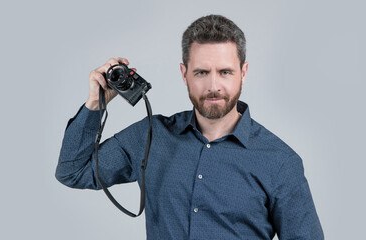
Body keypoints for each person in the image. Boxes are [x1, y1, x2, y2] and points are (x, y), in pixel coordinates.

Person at [55, 14, 324, 239]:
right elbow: (73, 171)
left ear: (243, 73)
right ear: (184, 74)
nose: (213, 86)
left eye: (225, 72)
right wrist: (95, 104)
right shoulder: (150, 136)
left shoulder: (280, 162)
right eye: (201, 72)